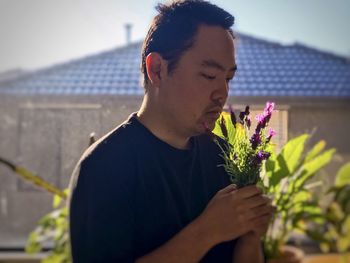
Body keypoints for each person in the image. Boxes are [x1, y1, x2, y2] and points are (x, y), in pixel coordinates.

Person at [68, 0, 275, 262]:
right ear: (157, 70)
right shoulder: (104, 166)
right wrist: (206, 232)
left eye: (228, 78)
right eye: (210, 75)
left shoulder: (222, 157)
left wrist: (251, 235)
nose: (222, 93)